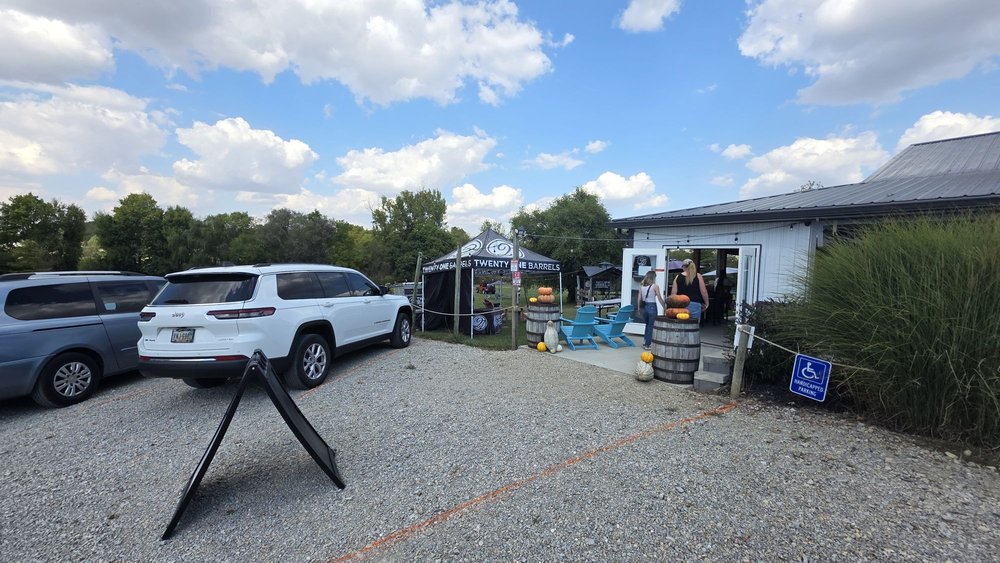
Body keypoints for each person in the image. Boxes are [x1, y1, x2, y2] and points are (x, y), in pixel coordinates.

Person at [637, 271, 666, 350]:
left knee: (647, 325)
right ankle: (647, 344)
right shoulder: (655, 286)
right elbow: (659, 297)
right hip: (652, 306)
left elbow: (639, 298)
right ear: (653, 277)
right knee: (651, 326)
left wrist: (638, 308)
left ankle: (645, 341)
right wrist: (664, 307)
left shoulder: (641, 286)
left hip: (644, 307)